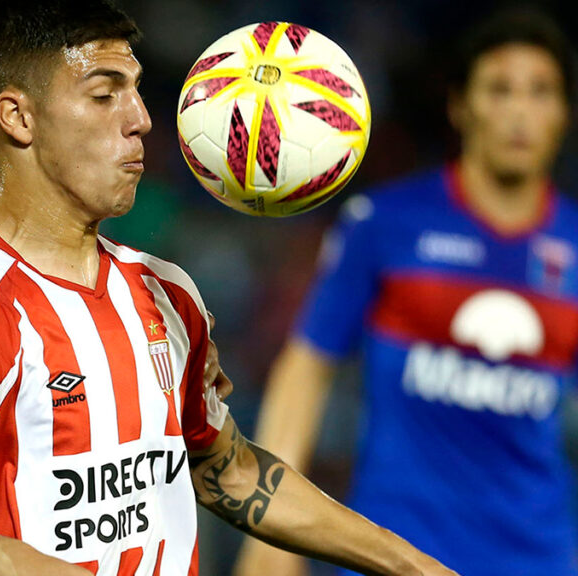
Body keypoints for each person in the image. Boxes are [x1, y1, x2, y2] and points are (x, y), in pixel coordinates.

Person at [0, 1, 458, 574]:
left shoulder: (165, 292)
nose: (141, 118)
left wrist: (410, 564)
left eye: (135, 89)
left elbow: (228, 472)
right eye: (104, 94)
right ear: (18, 117)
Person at [235, 8, 578, 576]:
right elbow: (305, 370)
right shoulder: (384, 224)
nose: (520, 111)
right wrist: (270, 535)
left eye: (541, 92)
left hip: (537, 557)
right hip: (390, 553)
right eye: (499, 89)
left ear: (564, 113)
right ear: (460, 106)